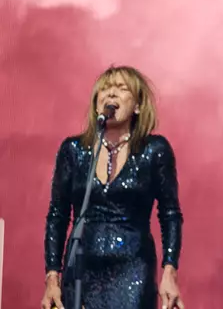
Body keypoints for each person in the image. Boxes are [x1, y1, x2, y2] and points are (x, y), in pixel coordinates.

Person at [41, 65, 184, 309]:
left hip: (133, 269)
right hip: (82, 269)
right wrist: (52, 277)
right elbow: (58, 215)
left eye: (121, 89)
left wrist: (170, 272)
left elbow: (170, 214)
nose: (111, 94)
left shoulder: (154, 150)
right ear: (97, 105)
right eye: (105, 90)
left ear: (137, 106)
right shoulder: (73, 150)